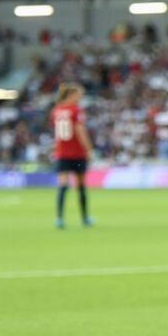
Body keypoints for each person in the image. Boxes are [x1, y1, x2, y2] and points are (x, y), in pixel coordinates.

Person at [51, 82, 94, 229]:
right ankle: (85, 218)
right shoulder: (76, 110)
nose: (81, 97)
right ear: (72, 95)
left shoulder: (57, 110)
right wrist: (89, 149)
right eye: (79, 95)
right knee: (81, 185)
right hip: (77, 154)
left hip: (62, 153)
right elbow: (80, 130)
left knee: (63, 185)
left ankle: (60, 219)